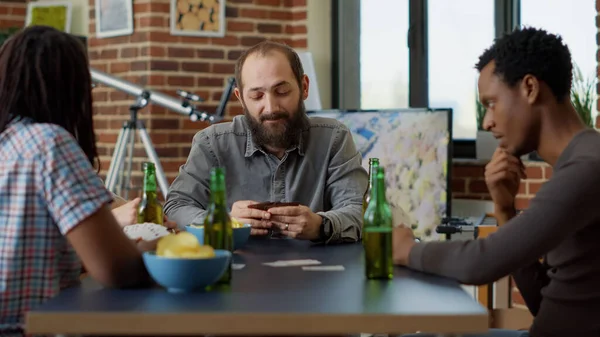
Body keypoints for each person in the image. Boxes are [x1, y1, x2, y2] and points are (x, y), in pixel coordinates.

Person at [395, 27, 600, 337]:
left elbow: (482, 262)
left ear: (530, 88)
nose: (486, 122)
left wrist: (406, 249)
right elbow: (544, 304)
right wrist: (505, 210)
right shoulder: (580, 161)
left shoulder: (587, 168)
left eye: (491, 103)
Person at [0, 26, 156, 336]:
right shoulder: (49, 143)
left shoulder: (9, 141)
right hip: (31, 328)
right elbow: (118, 270)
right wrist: (157, 248)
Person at [164, 40, 368, 244]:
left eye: (282, 92)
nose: (270, 107)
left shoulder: (334, 138)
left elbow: (357, 210)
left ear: (304, 87)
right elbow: (176, 207)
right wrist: (224, 221)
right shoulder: (212, 144)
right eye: (257, 96)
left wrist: (320, 225)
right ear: (241, 98)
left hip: (321, 270)